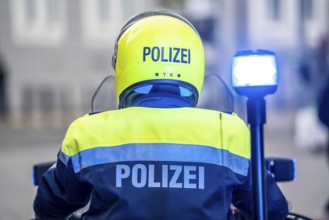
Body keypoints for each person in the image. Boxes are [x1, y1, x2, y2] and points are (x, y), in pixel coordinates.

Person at [33, 10, 288, 219]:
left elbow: (48, 207)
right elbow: (272, 210)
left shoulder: (89, 132)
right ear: (195, 65)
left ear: (123, 66)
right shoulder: (230, 131)